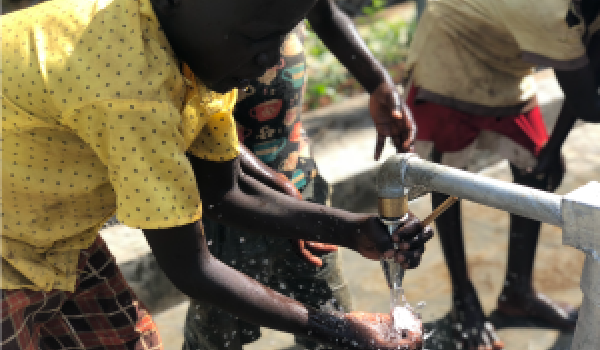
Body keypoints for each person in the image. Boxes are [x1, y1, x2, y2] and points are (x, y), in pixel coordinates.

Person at [1, 0, 432, 350]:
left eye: (279, 40)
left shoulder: (192, 58)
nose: (267, 62)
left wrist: (356, 231)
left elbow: (223, 193)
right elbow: (191, 268)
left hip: (52, 236)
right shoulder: (130, 92)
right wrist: (340, 330)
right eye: (253, 39)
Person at [181, 1, 416, 350]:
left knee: (335, 320)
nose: (273, 57)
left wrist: (378, 82)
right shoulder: (198, 18)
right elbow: (193, 112)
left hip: (301, 183)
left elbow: (324, 13)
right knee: (217, 333)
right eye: (263, 37)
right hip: (225, 200)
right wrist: (273, 184)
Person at [402, 0, 600, 349]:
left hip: (507, 60)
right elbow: (588, 102)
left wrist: (553, 148)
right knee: (449, 178)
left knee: (536, 170)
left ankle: (517, 293)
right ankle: (464, 302)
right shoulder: (552, 11)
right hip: (452, 45)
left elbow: (587, 76)